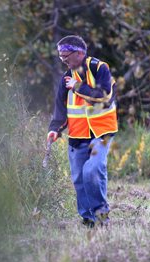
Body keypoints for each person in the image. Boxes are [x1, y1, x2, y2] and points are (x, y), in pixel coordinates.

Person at [47, 35, 118, 228]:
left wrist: (77, 87)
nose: (63, 60)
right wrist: (55, 129)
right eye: (60, 56)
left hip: (101, 132)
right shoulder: (66, 78)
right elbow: (61, 108)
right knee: (78, 177)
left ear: (79, 53)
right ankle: (88, 219)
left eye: (66, 55)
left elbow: (105, 97)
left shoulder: (99, 68)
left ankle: (102, 217)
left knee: (92, 170)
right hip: (77, 135)